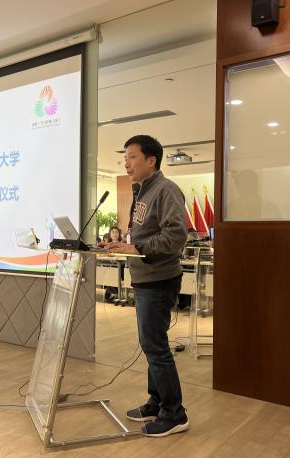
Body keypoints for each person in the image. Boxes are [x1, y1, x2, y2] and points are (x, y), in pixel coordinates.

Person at [103, 134, 189, 437]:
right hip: (145, 278)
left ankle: (175, 413)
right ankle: (157, 402)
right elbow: (144, 235)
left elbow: (176, 235)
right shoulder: (142, 190)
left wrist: (136, 248)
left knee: (155, 346)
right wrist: (122, 247)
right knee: (151, 344)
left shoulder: (166, 190)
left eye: (132, 157)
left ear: (151, 160)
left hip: (159, 279)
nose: (126, 164)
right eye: (125, 158)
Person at [104, 226, 124, 303]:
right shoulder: (107, 245)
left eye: (116, 232)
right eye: (113, 232)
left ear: (119, 234)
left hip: (120, 264)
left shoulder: (123, 244)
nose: (115, 234)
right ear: (110, 234)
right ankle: (111, 293)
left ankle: (111, 293)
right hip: (110, 264)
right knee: (108, 268)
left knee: (114, 269)